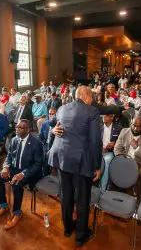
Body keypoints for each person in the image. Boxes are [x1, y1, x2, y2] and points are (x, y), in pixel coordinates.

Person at [48, 86, 102, 247]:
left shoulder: (62, 108)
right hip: (81, 160)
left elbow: (50, 124)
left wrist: (53, 130)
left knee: (66, 195)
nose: (92, 99)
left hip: (62, 158)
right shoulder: (91, 111)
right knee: (82, 199)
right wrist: (97, 166)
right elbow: (95, 141)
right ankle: (81, 235)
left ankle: (67, 228)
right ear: (85, 96)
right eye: (91, 96)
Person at [0, 119, 43, 230]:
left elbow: (38, 165)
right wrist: (5, 167)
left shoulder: (36, 143)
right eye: (17, 127)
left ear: (28, 130)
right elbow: (9, 157)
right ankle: (4, 206)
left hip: (29, 172)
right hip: (14, 169)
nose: (17, 129)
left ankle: (17, 213)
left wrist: (23, 174)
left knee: (17, 183)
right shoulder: (14, 140)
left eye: (21, 127)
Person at [114, 117, 141, 197]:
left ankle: (139, 199)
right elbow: (116, 149)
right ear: (131, 124)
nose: (136, 128)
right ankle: (126, 196)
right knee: (116, 168)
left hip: (140, 164)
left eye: (139, 126)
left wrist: (137, 148)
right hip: (125, 160)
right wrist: (123, 160)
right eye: (134, 125)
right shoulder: (124, 132)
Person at [100, 114, 122, 191]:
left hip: (110, 152)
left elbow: (121, 143)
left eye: (106, 115)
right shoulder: (98, 126)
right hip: (99, 151)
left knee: (106, 162)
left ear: (111, 117)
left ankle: (103, 188)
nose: (104, 117)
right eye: (103, 116)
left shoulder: (118, 128)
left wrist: (114, 143)